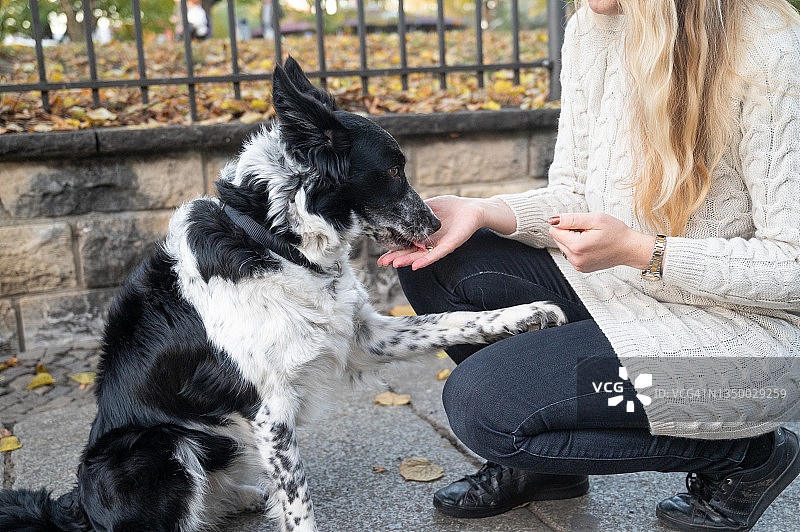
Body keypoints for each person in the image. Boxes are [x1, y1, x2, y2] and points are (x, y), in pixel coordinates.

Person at [379, 0, 800, 530]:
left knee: (484, 410)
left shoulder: (772, 50)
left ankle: (748, 456)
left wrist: (645, 251)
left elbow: (793, 265)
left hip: (738, 357)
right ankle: (546, 470)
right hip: (617, 288)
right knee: (437, 257)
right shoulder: (595, 24)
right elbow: (574, 188)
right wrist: (486, 210)